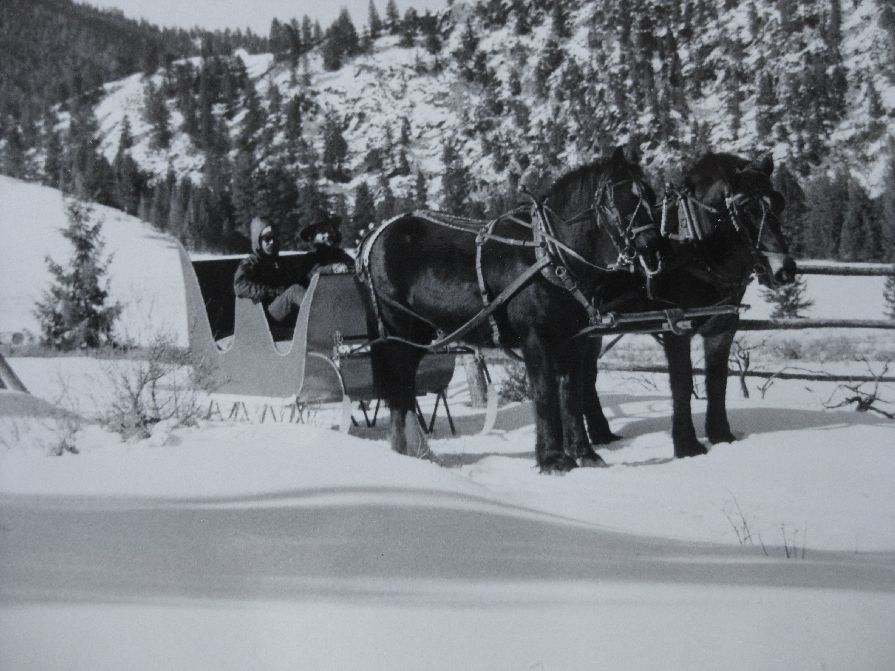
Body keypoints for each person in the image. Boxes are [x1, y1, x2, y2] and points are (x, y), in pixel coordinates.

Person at [233, 217, 307, 325]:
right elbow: (239, 286)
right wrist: (270, 291)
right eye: (267, 239)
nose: (272, 242)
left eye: (274, 238)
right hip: (265, 315)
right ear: (258, 241)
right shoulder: (251, 262)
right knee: (294, 291)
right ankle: (324, 318)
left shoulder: (277, 261)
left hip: (281, 308)